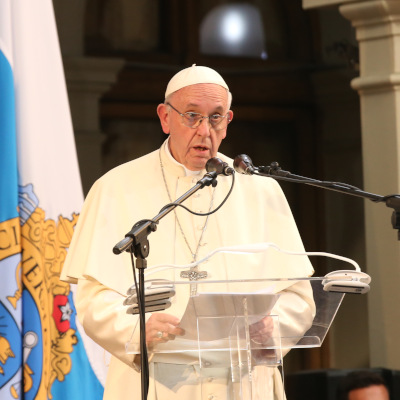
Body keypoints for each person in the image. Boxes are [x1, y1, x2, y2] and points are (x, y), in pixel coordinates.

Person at [61, 64, 316, 400]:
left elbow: (299, 297)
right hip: (155, 381)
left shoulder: (261, 191)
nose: (204, 130)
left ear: (228, 122)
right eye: (192, 116)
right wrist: (138, 330)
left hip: (244, 383)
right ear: (165, 117)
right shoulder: (115, 189)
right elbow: (94, 299)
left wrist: (274, 326)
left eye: (216, 117)